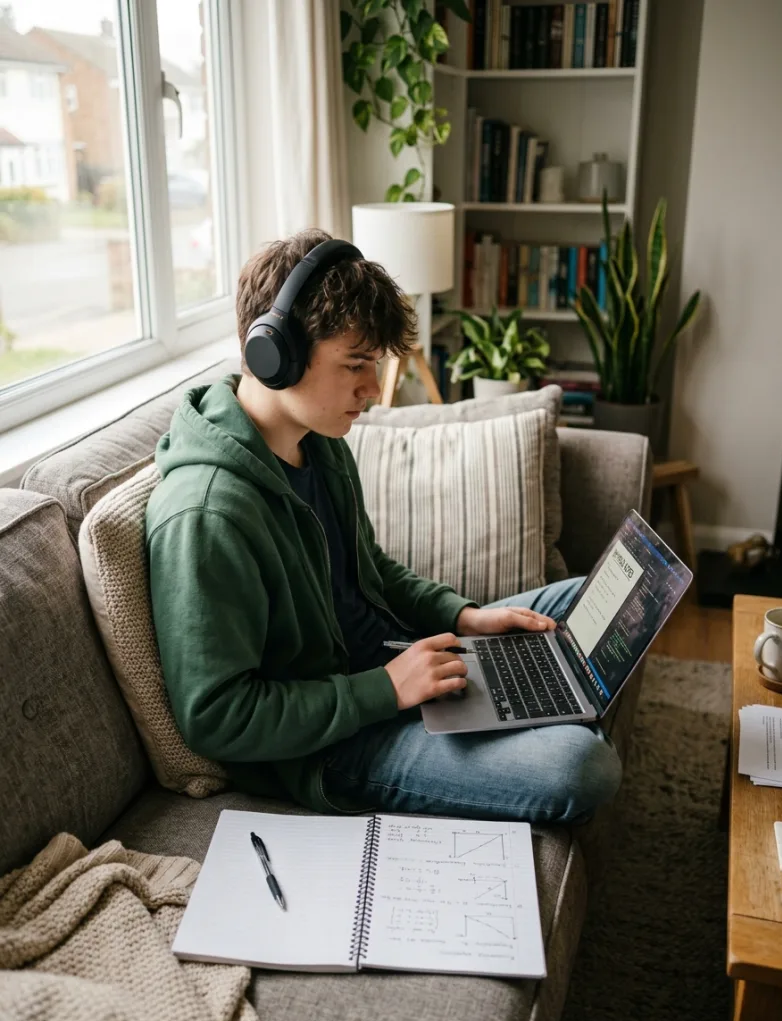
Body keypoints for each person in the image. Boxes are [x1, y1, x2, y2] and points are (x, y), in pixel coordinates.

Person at [146, 228, 622, 825]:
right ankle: (553, 711)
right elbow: (216, 716)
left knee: (593, 600)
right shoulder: (207, 514)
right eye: (355, 366)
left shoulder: (320, 442)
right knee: (582, 768)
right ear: (275, 353)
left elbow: (369, 571)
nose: (372, 391)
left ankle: (539, 698)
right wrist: (387, 689)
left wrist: (461, 616)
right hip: (337, 742)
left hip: (405, 662)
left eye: (374, 365)